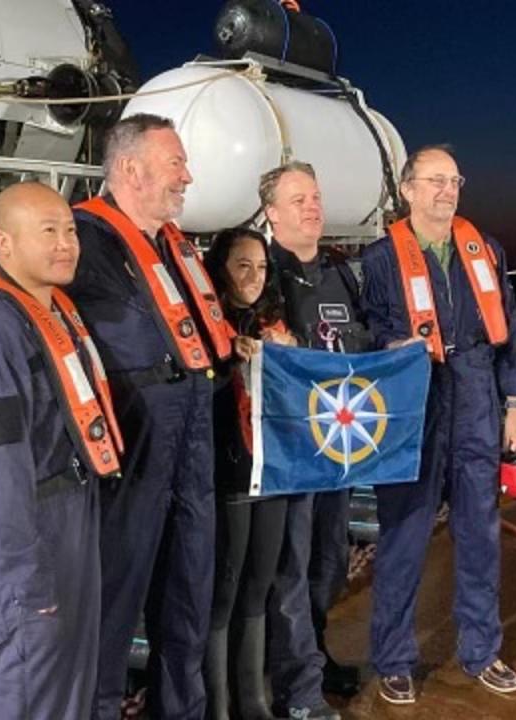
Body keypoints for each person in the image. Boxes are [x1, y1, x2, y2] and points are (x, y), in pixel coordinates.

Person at [0, 114, 236, 720]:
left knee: (190, 597)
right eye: (175, 163)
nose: (187, 177)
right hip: (133, 445)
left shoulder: (176, 245)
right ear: (130, 169)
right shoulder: (82, 236)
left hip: (191, 439)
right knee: (110, 614)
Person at [360, 145, 516, 705]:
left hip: (478, 397)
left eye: (454, 181)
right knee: (404, 536)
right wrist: (391, 343)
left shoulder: (488, 251)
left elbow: (507, 329)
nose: (447, 191)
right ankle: (393, 658)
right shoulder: (383, 258)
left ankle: (482, 650)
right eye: (435, 181)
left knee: (479, 535)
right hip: (416, 401)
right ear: (407, 189)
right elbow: (369, 328)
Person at [0, 182, 123, 718]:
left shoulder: (53, 309)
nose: (66, 243)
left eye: (69, 230)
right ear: (4, 244)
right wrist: (22, 572)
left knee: (69, 681)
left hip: (69, 510)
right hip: (25, 529)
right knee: (27, 684)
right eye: (48, 232)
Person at [259, 161, 371, 715]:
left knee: (328, 562)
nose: (311, 207)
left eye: (316, 197)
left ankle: (316, 657)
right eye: (297, 199)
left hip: (338, 453)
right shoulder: (261, 273)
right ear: (272, 212)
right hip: (288, 458)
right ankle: (297, 692)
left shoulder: (338, 274)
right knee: (291, 571)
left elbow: (364, 347)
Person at [202, 227, 297, 720]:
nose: (253, 277)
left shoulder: (275, 324)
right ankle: (217, 706)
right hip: (231, 474)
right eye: (242, 266)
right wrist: (226, 359)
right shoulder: (206, 324)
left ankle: (253, 700)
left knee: (259, 586)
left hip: (273, 471)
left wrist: (290, 354)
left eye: (260, 267)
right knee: (223, 594)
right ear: (221, 268)